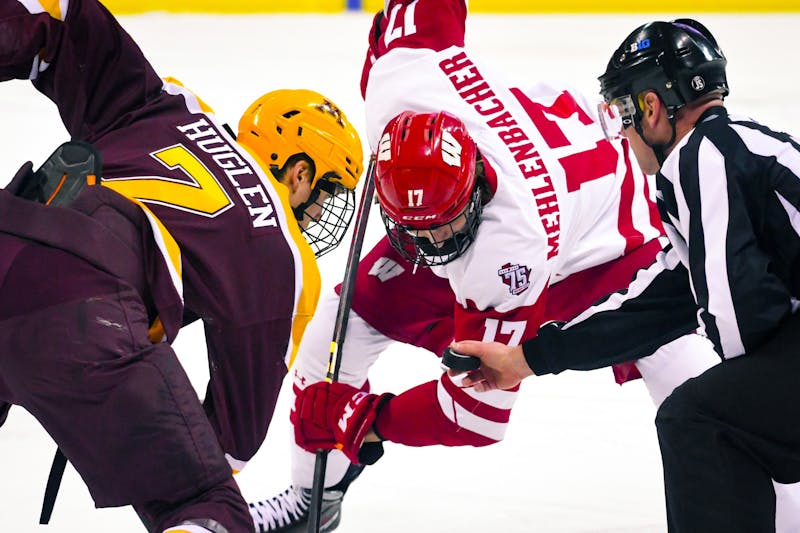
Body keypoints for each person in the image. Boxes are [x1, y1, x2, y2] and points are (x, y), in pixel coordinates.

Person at [247, 2, 726, 532]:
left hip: (613, 246)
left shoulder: (509, 244)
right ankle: (311, 501)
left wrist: (368, 420)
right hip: (504, 201)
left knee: (701, 402)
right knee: (335, 331)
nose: (433, 246)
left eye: (442, 229)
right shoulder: (402, 78)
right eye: (415, 229)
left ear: (476, 182)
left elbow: (475, 416)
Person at [0, 1, 364, 532]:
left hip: (11, 229)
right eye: (327, 192)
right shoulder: (285, 254)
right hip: (82, 306)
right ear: (299, 173)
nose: (319, 214)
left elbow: (64, 20)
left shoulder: (172, 108)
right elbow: (228, 443)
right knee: (206, 503)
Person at [450, 18, 800, 533]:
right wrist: (526, 360)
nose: (622, 133)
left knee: (700, 418)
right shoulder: (738, 150)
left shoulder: (702, 156)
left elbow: (739, 317)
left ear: (652, 107)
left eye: (622, 112)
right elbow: (659, 304)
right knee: (720, 411)